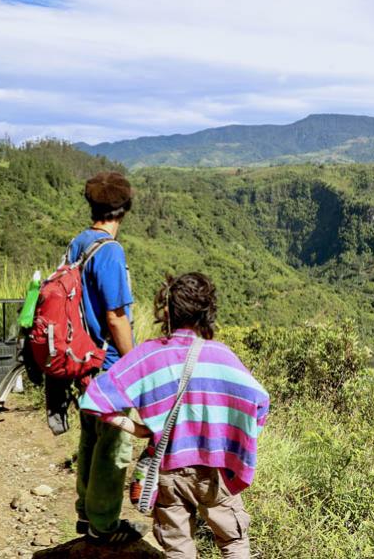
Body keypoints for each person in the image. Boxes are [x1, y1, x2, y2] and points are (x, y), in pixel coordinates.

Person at [79, 272, 269, 559]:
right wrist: (232, 442)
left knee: (178, 548)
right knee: (233, 542)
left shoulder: (148, 355)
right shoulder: (221, 356)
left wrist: (137, 428)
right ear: (206, 312)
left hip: (167, 470)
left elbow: (94, 399)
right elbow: (260, 404)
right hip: (214, 471)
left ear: (166, 311)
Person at [70, 171, 144, 543]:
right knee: (113, 449)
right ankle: (104, 526)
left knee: (89, 439)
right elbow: (116, 317)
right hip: (110, 365)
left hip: (82, 362)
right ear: (124, 209)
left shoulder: (79, 243)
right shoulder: (110, 251)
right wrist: (136, 364)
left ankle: (86, 514)